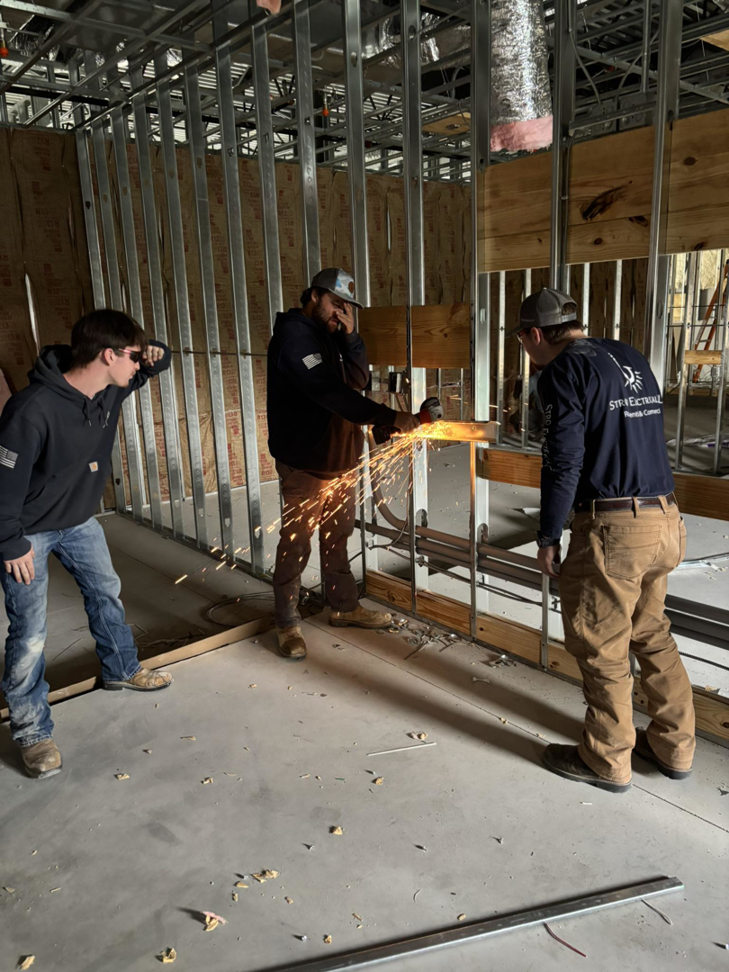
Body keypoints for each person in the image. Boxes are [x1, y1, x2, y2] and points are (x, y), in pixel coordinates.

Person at [511, 287, 695, 794]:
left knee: (601, 647)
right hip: (665, 519)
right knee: (651, 632)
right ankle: (674, 746)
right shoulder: (627, 355)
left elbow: (563, 459)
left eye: (523, 343)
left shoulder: (562, 372)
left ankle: (607, 758)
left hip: (616, 530)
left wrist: (548, 534)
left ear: (532, 335)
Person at [0, 310, 174, 780]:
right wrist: (9, 541)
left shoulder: (110, 388)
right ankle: (32, 732)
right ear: (108, 354)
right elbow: (3, 482)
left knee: (106, 592)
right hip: (28, 532)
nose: (139, 366)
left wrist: (155, 351)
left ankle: (120, 668)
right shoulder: (31, 410)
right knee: (31, 631)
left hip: (79, 522)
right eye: (132, 356)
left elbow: (156, 363)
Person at [267, 268, 420, 659]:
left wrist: (351, 336)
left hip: (340, 459)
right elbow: (329, 393)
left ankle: (343, 606)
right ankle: (286, 621)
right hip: (305, 462)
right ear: (315, 296)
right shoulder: (293, 337)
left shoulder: (332, 337)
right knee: (296, 543)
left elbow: (357, 380)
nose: (340, 313)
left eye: (347, 307)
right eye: (336, 304)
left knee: (338, 538)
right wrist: (389, 417)